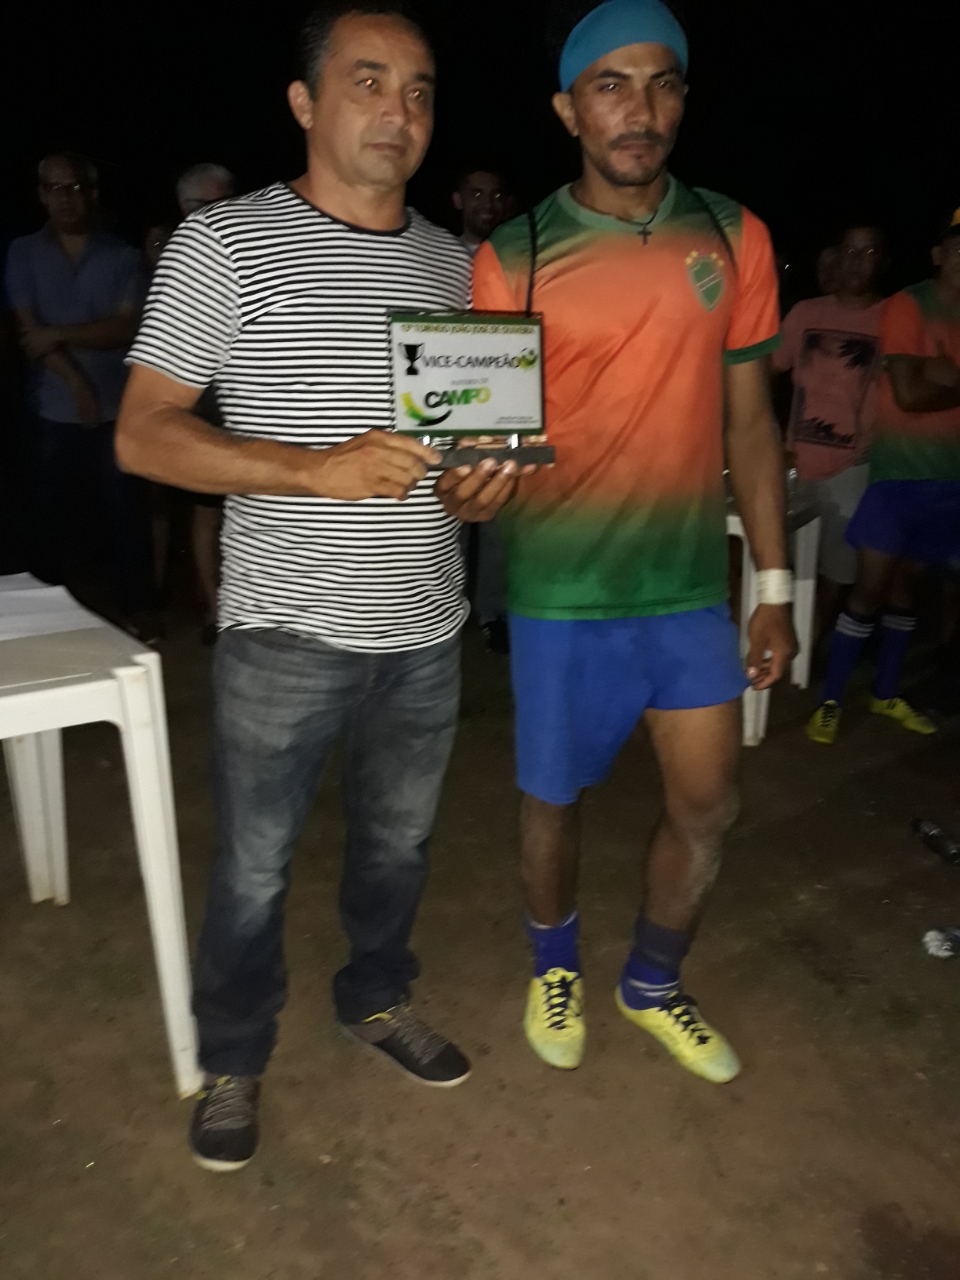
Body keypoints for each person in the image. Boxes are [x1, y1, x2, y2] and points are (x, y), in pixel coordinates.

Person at [117, 0, 533, 1172]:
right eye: (369, 81)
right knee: (253, 867)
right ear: (304, 102)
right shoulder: (224, 244)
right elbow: (144, 433)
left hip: (426, 627)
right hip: (283, 632)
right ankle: (233, 1052)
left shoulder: (456, 263)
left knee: (399, 848)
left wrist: (477, 491)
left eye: (420, 89)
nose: (400, 110)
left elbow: (461, 452)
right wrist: (311, 468)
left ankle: (376, 994)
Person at [473, 0, 795, 1083]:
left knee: (709, 804)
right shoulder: (513, 255)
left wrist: (775, 584)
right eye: (609, 85)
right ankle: (553, 966)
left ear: (684, 100)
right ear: (569, 109)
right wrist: (471, 488)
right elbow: (486, 437)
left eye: (661, 83)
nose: (638, 108)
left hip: (685, 586)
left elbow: (751, 423)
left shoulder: (735, 236)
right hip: (561, 587)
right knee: (552, 801)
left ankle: (651, 982)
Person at [806, 210, 960, 744]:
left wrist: (944, 373)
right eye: (957, 249)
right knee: (867, 590)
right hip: (897, 476)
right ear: (938, 254)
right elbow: (910, 394)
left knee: (906, 591)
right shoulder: (909, 305)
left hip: (950, 480)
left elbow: (925, 382)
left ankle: (886, 692)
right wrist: (936, 376)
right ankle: (829, 701)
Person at [5, 153, 155, 633]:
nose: (65, 199)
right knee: (45, 516)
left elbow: (126, 327)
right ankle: (41, 619)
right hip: (52, 408)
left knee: (125, 514)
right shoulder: (23, 252)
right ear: (41, 194)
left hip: (116, 409)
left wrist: (58, 334)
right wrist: (75, 381)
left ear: (91, 193)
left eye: (74, 188)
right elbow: (28, 333)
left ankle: (138, 611)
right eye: (55, 188)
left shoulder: (123, 255)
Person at [774, 226, 886, 627]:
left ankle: (815, 636)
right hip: (796, 463)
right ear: (837, 257)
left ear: (881, 261)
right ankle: (789, 636)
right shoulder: (806, 313)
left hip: (853, 468)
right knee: (784, 563)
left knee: (838, 571)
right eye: (850, 251)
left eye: (868, 252)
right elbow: (769, 367)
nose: (857, 261)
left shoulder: (894, 316)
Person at [451, 165, 515, 651]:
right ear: (458, 200)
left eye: (494, 195)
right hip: (447, 398)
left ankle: (494, 612)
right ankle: (448, 610)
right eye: (475, 194)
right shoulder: (440, 254)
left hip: (499, 399)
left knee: (496, 512)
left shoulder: (517, 256)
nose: (486, 203)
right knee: (446, 507)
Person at [177, 164, 237, 644]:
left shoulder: (251, 250)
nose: (216, 214)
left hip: (252, 403)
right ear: (183, 208)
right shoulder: (180, 260)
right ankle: (215, 610)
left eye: (224, 203)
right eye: (203, 205)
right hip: (202, 401)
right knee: (207, 509)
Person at [452, 165, 511, 257]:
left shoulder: (520, 253)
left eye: (496, 195)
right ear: (458, 200)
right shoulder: (444, 252)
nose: (488, 204)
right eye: (477, 194)